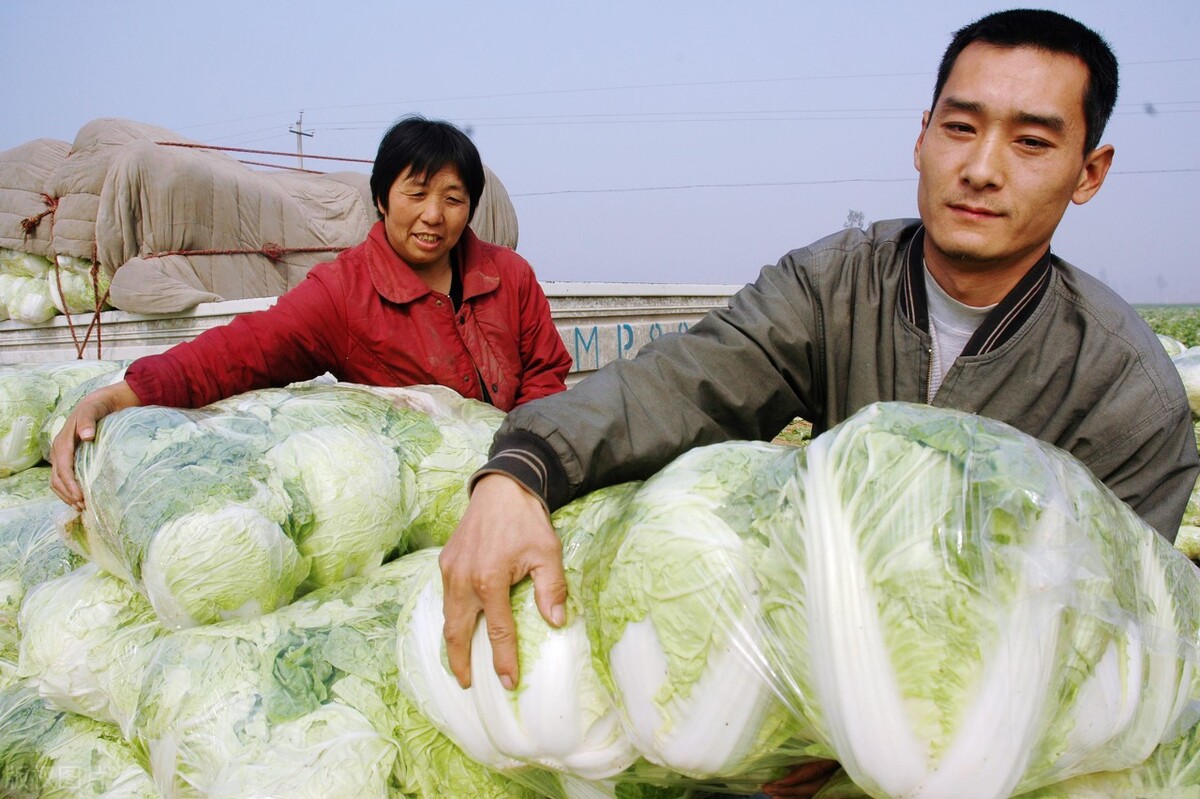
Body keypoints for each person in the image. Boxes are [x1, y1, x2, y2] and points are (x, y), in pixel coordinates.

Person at [438, 9, 1199, 799]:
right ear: (921, 136)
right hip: (796, 688)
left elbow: (1111, 639)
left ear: (1090, 171)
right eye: (961, 127)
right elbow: (685, 380)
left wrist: (860, 722)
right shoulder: (835, 287)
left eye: (1032, 141)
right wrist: (521, 469)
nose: (981, 167)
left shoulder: (1124, 390)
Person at [49, 116, 572, 510]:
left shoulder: (509, 275)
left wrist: (520, 462)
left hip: (524, 477)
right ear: (382, 200)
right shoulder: (344, 292)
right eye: (415, 194)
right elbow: (243, 351)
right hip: (431, 496)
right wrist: (120, 394)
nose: (433, 215)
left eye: (453, 199)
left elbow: (545, 376)